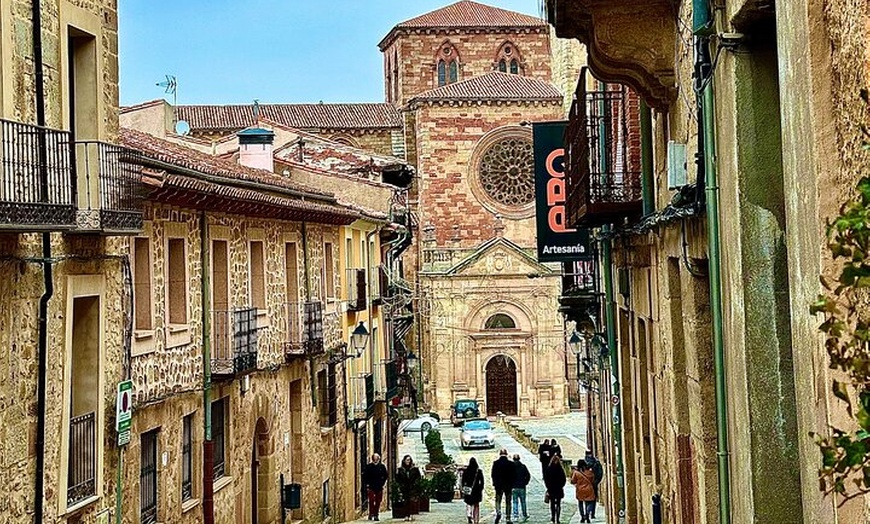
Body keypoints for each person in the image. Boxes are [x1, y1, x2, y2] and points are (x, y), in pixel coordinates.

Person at [491, 448, 517, 524]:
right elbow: (514, 475)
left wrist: (495, 483)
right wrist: (512, 484)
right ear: (506, 454)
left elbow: (493, 475)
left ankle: (498, 512)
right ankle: (508, 518)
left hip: (499, 486)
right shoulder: (511, 464)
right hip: (508, 486)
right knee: (508, 502)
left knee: (498, 500)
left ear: (500, 454)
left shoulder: (496, 463)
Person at [362, 453, 389, 521]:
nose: (376, 459)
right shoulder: (369, 467)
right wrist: (367, 484)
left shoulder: (382, 467)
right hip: (371, 486)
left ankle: (376, 514)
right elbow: (365, 476)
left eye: (377, 458)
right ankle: (371, 513)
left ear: (379, 459)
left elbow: (385, 475)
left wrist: (382, 483)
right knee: (371, 500)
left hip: (379, 486)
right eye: (374, 458)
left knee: (378, 501)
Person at [396, 455, 421, 522]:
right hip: (404, 488)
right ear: (404, 461)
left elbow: (418, 477)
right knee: (405, 501)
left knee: (411, 501)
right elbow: (398, 479)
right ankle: (406, 515)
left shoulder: (414, 469)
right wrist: (400, 485)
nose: (408, 461)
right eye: (407, 460)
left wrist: (415, 484)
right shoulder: (400, 470)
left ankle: (411, 514)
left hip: (412, 487)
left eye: (409, 460)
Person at [543, 454, 567, 524]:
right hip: (559, 489)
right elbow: (564, 479)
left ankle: (553, 517)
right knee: (558, 504)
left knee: (552, 504)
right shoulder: (560, 469)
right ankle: (558, 518)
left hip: (551, 489)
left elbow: (546, 479)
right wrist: (561, 486)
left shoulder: (549, 469)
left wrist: (548, 487)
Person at [461, 457, 485, 524]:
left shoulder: (466, 471)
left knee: (468, 503)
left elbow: (463, 480)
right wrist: (481, 488)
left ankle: (469, 514)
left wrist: (463, 488)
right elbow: (482, 481)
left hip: (468, 489)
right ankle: (476, 519)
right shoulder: (479, 471)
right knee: (476, 505)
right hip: (477, 490)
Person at [511, 454, 531, 522]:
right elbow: (528, 476)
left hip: (513, 487)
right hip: (522, 486)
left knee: (515, 502)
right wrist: (525, 483)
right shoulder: (523, 466)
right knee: (523, 502)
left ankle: (515, 515)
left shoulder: (511, 467)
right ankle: (524, 514)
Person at [584, 451, 604, 519]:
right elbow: (600, 473)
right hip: (594, 484)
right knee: (593, 499)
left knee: (587, 500)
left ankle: (587, 512)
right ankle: (592, 513)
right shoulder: (596, 463)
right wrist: (597, 481)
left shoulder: (583, 464)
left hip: (586, 485)